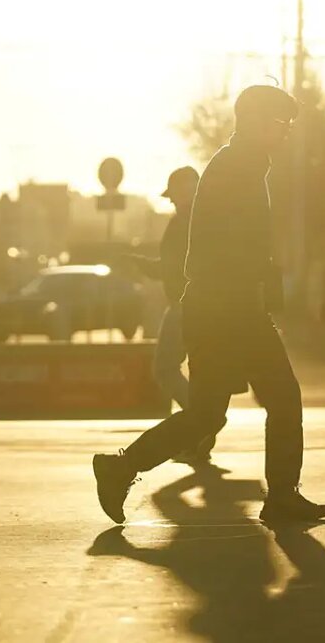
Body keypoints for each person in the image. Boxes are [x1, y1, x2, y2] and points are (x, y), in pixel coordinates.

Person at [92, 85, 325, 524]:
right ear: (257, 122)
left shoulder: (242, 166)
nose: (285, 134)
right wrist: (256, 286)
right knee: (282, 398)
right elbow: (224, 249)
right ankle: (281, 496)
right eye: (281, 125)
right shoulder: (234, 170)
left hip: (219, 307)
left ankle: (120, 466)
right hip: (228, 309)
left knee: (206, 414)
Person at [125, 166, 218, 464]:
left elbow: (172, 267)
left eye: (175, 195)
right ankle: (201, 429)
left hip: (185, 305)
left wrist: (139, 264)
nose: (172, 202)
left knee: (165, 367)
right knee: (197, 368)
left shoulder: (187, 223)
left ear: (189, 189)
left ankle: (203, 421)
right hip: (198, 304)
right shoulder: (202, 220)